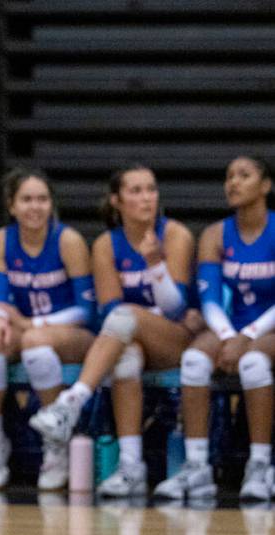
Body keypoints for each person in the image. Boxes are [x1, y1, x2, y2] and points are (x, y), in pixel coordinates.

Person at [29, 165, 195, 497]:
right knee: (126, 355)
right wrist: (135, 323)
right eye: (136, 191)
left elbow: (176, 309)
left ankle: (71, 402)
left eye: (151, 189)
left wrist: (155, 267)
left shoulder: (176, 235)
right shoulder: (107, 244)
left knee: (125, 318)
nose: (146, 197)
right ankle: (132, 468)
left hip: (173, 341)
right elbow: (106, 310)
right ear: (117, 201)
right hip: (127, 339)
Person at [154, 156, 275, 502]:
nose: (233, 183)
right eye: (229, 176)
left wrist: (247, 337)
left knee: (253, 363)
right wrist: (227, 337)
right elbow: (208, 298)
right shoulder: (215, 234)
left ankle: (259, 465)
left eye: (244, 175)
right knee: (193, 360)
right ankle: (196, 468)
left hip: (267, 326)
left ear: (265, 186)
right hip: (230, 325)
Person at [0, 168, 96, 492]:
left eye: (42, 199)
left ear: (51, 204)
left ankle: (55, 445)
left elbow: (86, 310)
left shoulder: (68, 240)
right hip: (23, 331)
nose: (35, 207)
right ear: (12, 205)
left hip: (73, 332)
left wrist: (30, 324)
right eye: (26, 199)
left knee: (35, 343)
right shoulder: (0, 239)